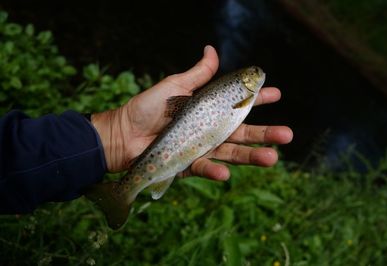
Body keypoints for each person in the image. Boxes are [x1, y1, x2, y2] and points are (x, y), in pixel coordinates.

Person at [0, 45, 293, 214]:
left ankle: (125, 191)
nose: (257, 74)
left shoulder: (245, 95)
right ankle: (124, 192)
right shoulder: (244, 94)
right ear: (246, 82)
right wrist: (117, 131)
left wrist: (113, 132)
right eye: (252, 73)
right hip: (171, 139)